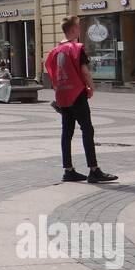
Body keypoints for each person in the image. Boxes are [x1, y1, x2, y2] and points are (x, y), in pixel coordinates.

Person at [44, 15, 117, 183]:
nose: (80, 29)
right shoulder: (76, 48)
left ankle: (68, 170)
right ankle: (94, 169)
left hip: (62, 94)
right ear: (73, 30)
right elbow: (84, 71)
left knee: (67, 132)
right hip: (77, 93)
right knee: (87, 129)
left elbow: (51, 72)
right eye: (78, 26)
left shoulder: (55, 51)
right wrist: (90, 86)